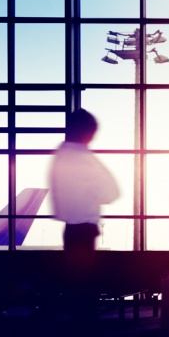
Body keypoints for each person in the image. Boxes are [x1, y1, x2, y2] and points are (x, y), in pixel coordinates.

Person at [49, 108, 119, 261]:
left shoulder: (60, 156)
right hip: (84, 230)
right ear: (88, 133)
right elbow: (112, 193)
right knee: (84, 277)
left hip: (71, 229)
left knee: (76, 277)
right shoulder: (83, 159)